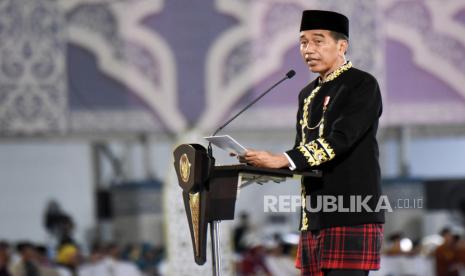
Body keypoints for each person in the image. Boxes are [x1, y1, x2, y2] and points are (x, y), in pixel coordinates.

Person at [242, 10, 385, 276]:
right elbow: (302, 154)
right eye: (303, 42)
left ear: (342, 45)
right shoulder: (307, 94)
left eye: (318, 41)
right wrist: (259, 169)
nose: (308, 49)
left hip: (352, 211)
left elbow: (341, 139)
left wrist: (282, 158)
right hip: (314, 216)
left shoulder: (362, 84)